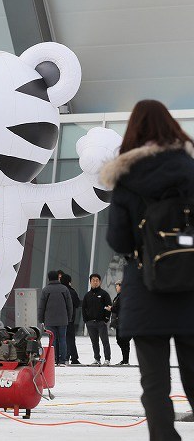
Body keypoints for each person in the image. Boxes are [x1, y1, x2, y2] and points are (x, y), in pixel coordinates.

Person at [100, 99, 194, 440]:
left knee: (155, 383)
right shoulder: (191, 168)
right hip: (191, 286)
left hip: (146, 287)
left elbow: (118, 241)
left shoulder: (126, 179)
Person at [38, 271, 72, 366]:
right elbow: (69, 305)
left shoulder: (46, 290)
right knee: (62, 339)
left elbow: (42, 306)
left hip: (50, 320)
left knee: (52, 340)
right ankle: (62, 360)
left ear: (49, 278)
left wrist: (41, 319)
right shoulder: (64, 289)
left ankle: (53, 359)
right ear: (58, 278)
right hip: (63, 319)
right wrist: (68, 318)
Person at [81, 273, 112, 366]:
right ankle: (97, 358)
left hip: (101, 322)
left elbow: (109, 307)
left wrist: (106, 319)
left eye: (97, 280)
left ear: (100, 282)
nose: (95, 282)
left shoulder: (104, 294)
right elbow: (83, 308)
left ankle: (107, 359)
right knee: (94, 342)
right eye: (93, 280)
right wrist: (86, 320)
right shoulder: (87, 295)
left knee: (105, 341)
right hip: (90, 323)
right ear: (90, 282)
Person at [60, 272, 82, 365]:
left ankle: (62, 357)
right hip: (70, 319)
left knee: (60, 339)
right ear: (69, 282)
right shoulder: (72, 291)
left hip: (59, 320)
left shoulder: (58, 290)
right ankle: (73, 358)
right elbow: (77, 304)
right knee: (71, 339)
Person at [111, 281, 131, 365]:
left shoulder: (125, 296)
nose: (116, 288)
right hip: (119, 322)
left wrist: (111, 309)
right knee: (119, 340)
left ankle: (125, 360)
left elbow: (121, 308)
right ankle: (124, 359)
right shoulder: (118, 296)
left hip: (125, 322)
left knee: (124, 340)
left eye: (117, 286)